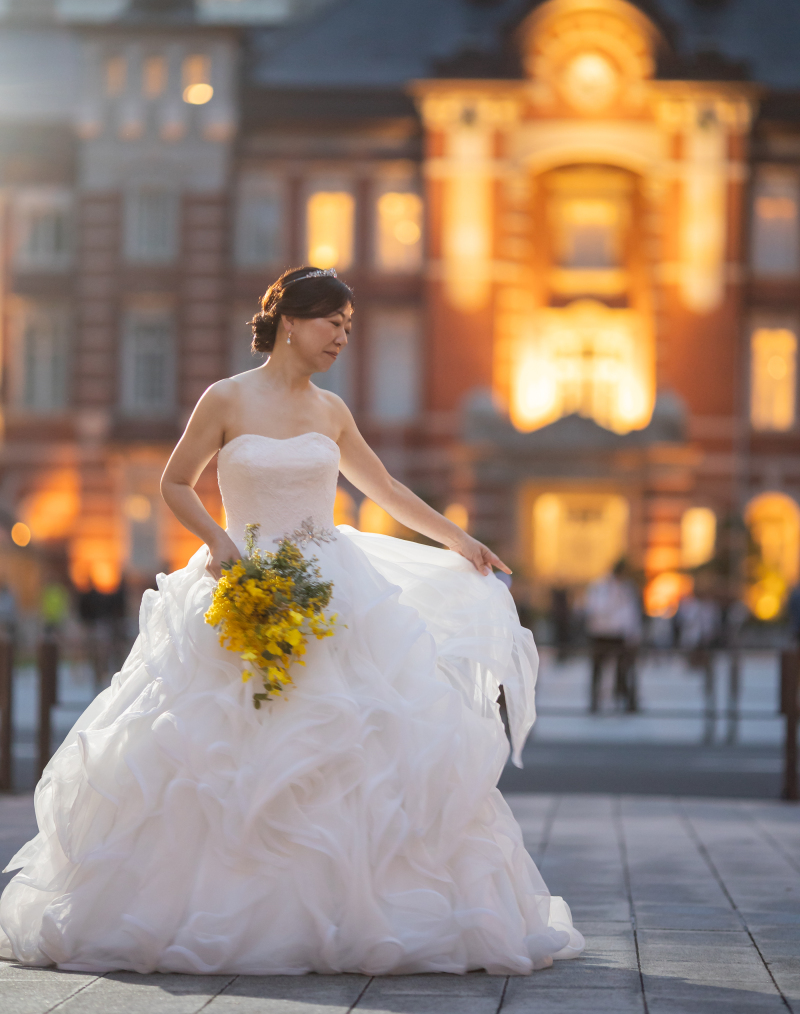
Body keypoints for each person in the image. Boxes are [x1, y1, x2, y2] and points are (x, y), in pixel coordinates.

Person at [0, 266, 583, 975]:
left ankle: (346, 908)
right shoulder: (225, 398)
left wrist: (459, 540)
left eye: (348, 326)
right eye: (331, 321)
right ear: (289, 322)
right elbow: (174, 481)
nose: (342, 336)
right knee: (215, 749)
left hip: (331, 593)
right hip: (241, 581)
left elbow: (385, 488)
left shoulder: (331, 412)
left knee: (352, 746)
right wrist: (219, 544)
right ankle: (216, 905)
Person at [583, 559, 642, 713]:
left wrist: (633, 633)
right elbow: (594, 608)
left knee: (624, 670)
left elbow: (631, 613)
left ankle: (626, 701)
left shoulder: (626, 588)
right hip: (601, 633)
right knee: (598, 670)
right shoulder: (599, 587)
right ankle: (595, 702)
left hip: (619, 634)